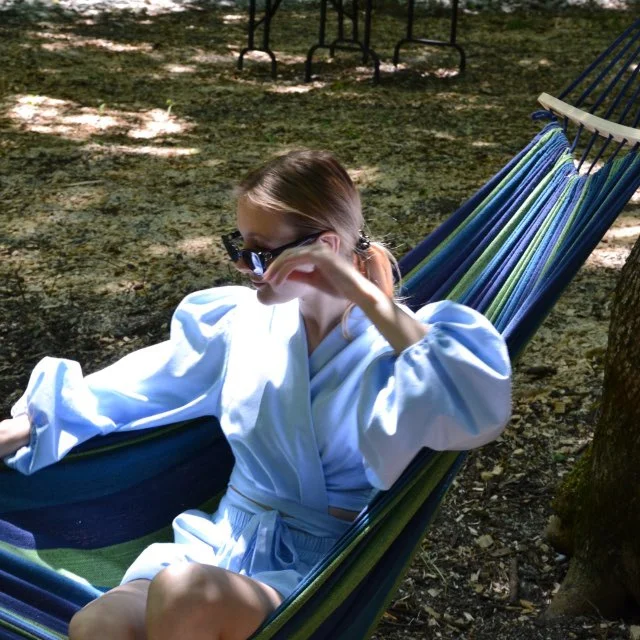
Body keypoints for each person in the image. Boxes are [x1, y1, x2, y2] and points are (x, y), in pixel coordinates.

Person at [0, 150, 512, 640]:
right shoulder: (241, 322)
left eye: (261, 252)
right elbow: (140, 387)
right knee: (97, 624)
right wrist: (25, 427)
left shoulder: (406, 349)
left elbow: (476, 411)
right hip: (219, 542)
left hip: (318, 573)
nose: (244, 266)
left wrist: (362, 294)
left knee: (184, 594)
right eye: (238, 246)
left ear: (326, 248)